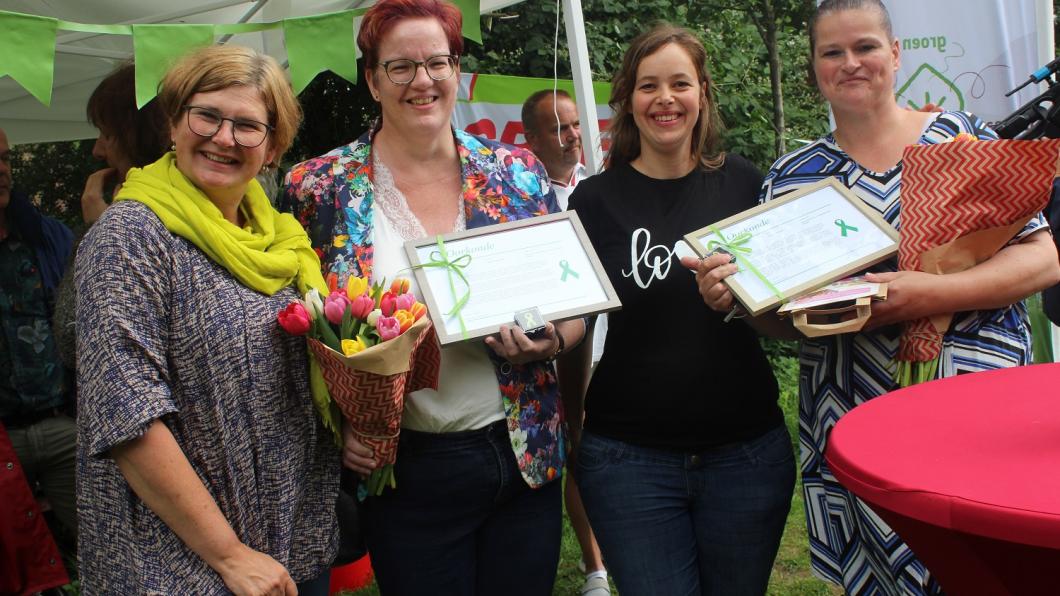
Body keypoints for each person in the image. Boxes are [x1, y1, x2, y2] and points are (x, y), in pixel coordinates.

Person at [689, 1, 1060, 593]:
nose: (850, 63)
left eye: (864, 47)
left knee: (983, 568)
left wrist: (928, 294)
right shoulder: (794, 176)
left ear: (894, 53)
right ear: (814, 68)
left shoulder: (961, 137)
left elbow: (1043, 258)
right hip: (852, 405)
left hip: (977, 405)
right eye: (831, 53)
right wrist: (737, 300)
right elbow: (783, 324)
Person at [282, 1, 585, 594]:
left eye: (437, 62)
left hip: (522, 451)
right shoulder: (319, 187)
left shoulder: (516, 171)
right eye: (400, 67)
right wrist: (338, 426)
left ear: (455, 71)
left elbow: (571, 300)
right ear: (371, 79)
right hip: (406, 464)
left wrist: (553, 338)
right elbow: (301, 335)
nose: (422, 81)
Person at [75, 44, 339, 595]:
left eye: (247, 126)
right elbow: (128, 417)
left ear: (273, 148)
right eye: (207, 115)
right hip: (181, 565)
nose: (223, 138)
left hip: (287, 546)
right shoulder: (131, 238)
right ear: (174, 122)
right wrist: (229, 555)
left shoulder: (280, 243)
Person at [562, 24, 795, 596]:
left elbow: (781, 317)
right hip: (628, 459)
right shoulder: (593, 201)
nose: (665, 98)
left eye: (679, 84)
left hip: (747, 455)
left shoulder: (744, 184)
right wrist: (572, 423)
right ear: (627, 100)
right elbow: (577, 320)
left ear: (703, 94)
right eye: (648, 86)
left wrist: (742, 304)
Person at [522, 87, 609, 596]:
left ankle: (596, 565)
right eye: (559, 127)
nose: (574, 136)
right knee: (563, 445)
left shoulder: (598, 190)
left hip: (595, 342)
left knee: (587, 444)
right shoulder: (513, 194)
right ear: (529, 138)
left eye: (577, 125)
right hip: (535, 347)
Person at [52, 62, 169, 370]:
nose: (97, 151)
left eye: (105, 134)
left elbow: (73, 338)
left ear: (135, 136)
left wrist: (98, 233)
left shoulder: (141, 225)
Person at [0, 125, 76, 594]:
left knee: (107, 539)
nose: (2, 171)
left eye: (5, 158)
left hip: (59, 425)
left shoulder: (44, 237)